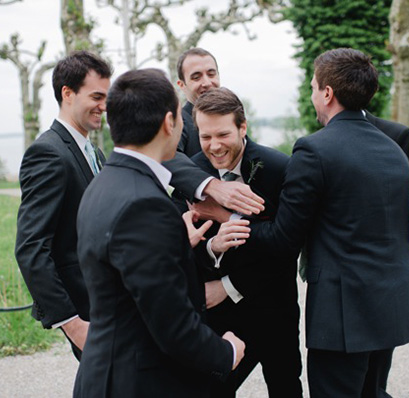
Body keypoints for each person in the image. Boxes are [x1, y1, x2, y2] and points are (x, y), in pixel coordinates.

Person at [212, 48, 409, 397]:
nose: (313, 94)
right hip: (391, 302)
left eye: (314, 87)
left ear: (327, 94)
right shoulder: (393, 146)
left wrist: (224, 216)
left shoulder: (314, 150)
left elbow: (284, 239)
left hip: (344, 312)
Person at [73, 68, 245, 398]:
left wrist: (176, 243)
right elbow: (172, 326)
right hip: (141, 381)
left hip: (105, 372)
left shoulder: (102, 185)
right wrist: (227, 352)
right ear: (170, 123)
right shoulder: (145, 206)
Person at [182, 87, 303, 398]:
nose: (214, 146)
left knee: (285, 387)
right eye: (205, 137)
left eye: (223, 134)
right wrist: (212, 248)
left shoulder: (279, 168)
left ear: (243, 127)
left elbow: (286, 247)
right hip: (219, 317)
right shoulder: (190, 174)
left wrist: (229, 285)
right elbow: (179, 247)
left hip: (275, 310)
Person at [14, 51, 112, 361]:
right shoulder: (48, 153)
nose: (104, 106)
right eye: (96, 96)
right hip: (86, 312)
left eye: (107, 97)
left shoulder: (93, 151)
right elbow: (30, 247)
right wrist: (72, 324)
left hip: (112, 301)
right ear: (67, 93)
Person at [164, 48, 265, 217]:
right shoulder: (178, 121)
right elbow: (167, 155)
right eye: (196, 77)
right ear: (181, 85)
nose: (207, 82)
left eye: (211, 74)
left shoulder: (231, 114)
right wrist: (212, 186)